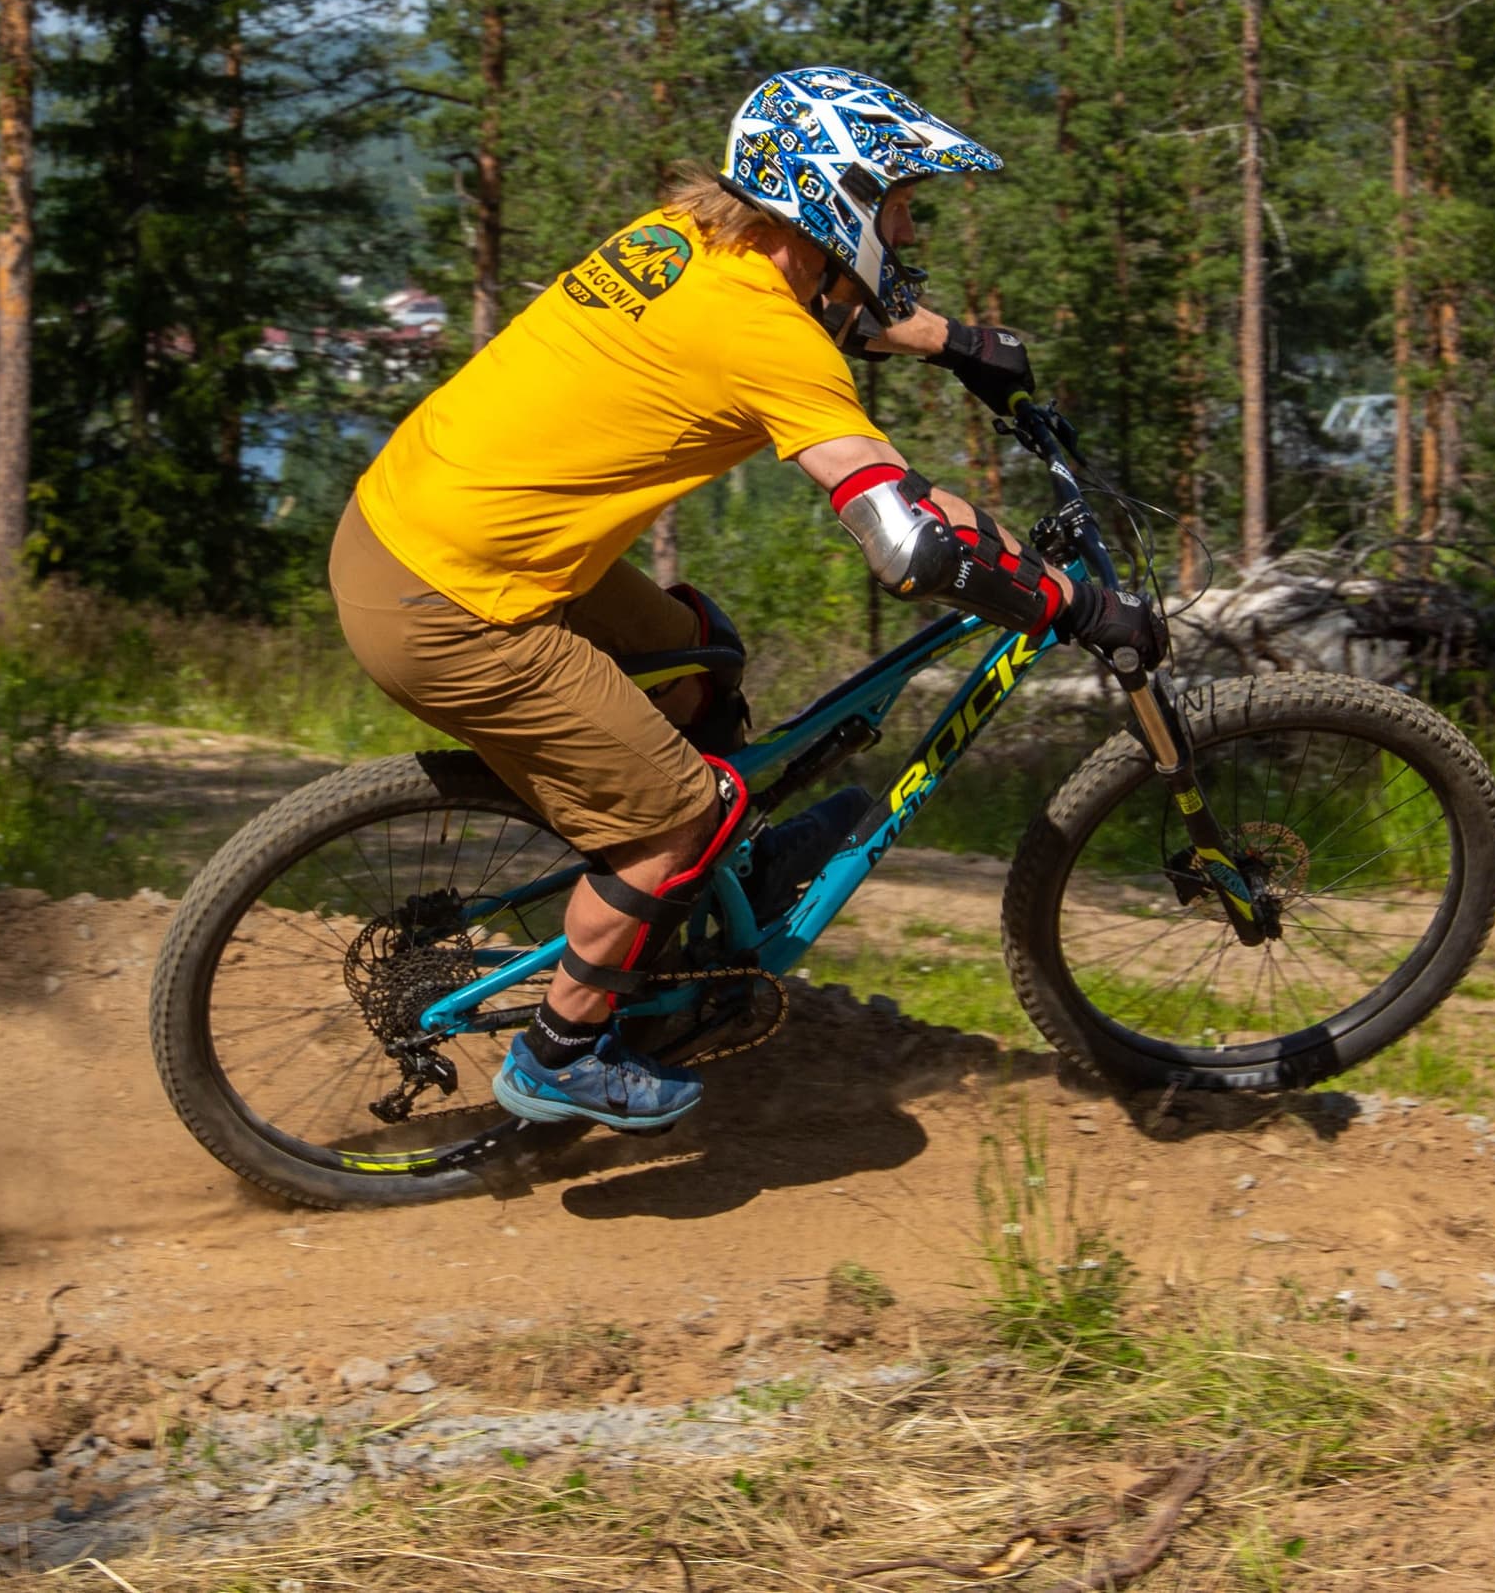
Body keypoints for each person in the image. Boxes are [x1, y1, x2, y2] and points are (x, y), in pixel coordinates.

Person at [332, 66, 1169, 1134]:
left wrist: (952, 341)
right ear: (834, 201)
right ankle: (563, 1054)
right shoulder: (763, 337)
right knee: (682, 811)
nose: (909, 225)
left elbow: (823, 313)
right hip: (452, 604)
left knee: (700, 656)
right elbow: (907, 541)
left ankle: (688, 924)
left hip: (412, 528)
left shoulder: (685, 239)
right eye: (899, 200)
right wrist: (1075, 607)